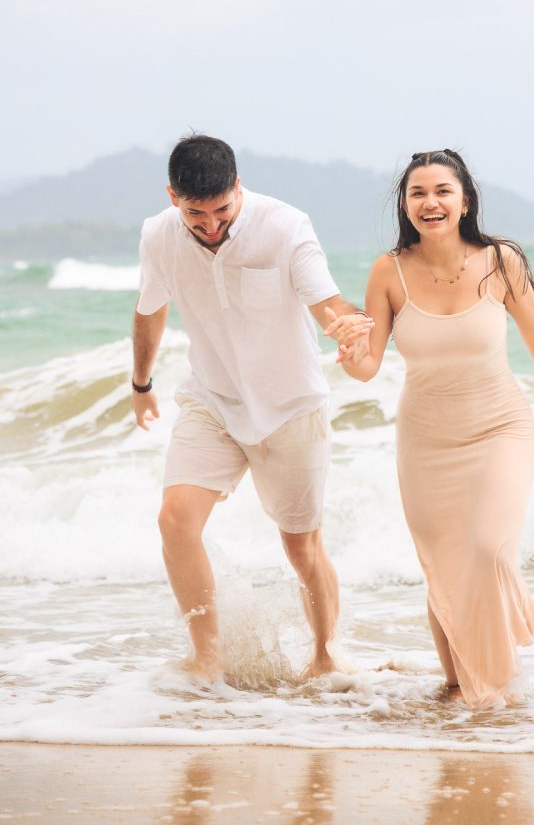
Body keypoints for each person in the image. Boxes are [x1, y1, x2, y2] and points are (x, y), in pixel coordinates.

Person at [337, 149, 534, 709]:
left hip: (499, 427)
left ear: (465, 200)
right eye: (418, 193)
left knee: (485, 550)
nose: (430, 202)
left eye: (442, 191)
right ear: (405, 206)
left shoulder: (502, 261)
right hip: (425, 441)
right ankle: (458, 688)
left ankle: (493, 680)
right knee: (443, 566)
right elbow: (367, 366)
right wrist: (350, 347)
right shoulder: (389, 270)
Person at [131, 133, 372, 683]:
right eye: (196, 213)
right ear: (173, 196)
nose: (211, 225)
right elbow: (149, 308)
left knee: (302, 548)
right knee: (174, 522)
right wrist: (141, 382)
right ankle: (208, 659)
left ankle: (326, 654)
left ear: (238, 187)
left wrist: (348, 325)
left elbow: (327, 303)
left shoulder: (285, 226)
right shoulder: (157, 237)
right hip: (212, 400)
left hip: (290, 407)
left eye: (221, 209)